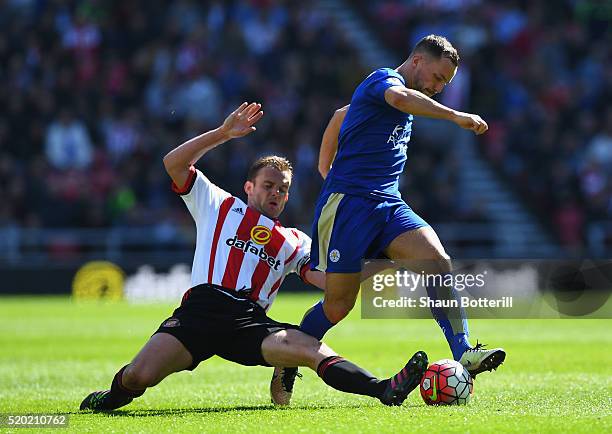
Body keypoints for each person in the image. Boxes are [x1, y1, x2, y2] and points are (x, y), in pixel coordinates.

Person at [79, 102, 429, 412]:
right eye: (268, 185)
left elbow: (327, 280)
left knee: (311, 349)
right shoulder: (218, 204)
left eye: (283, 189)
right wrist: (222, 133)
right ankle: (110, 399)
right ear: (249, 187)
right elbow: (173, 164)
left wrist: (382, 262)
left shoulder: (294, 240)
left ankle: (384, 389)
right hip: (200, 311)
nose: (276, 193)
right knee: (139, 376)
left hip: (248, 321)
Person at [271, 35, 505, 405]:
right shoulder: (384, 81)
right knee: (338, 305)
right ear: (416, 60)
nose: (438, 88)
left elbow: (338, 117)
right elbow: (397, 99)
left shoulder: (389, 98)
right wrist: (456, 116)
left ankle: (464, 351)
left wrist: (323, 165)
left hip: (388, 204)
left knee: (437, 261)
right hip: (348, 207)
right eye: (438, 77)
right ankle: (288, 360)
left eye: (445, 83)